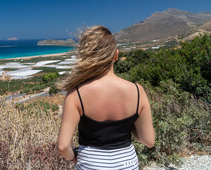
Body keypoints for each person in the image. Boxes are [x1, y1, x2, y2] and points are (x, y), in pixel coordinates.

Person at [57, 26, 154, 170]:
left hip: (90, 164)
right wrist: (129, 127)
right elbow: (148, 141)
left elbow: (63, 146)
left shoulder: (76, 95)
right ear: (116, 55)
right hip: (127, 164)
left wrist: (74, 157)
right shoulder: (137, 91)